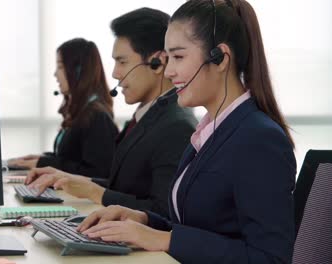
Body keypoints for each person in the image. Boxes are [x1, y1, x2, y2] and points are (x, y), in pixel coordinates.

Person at [77, 1, 297, 263]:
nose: (169, 71)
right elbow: (200, 227)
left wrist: (165, 239)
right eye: (168, 58)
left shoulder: (259, 138)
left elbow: (271, 258)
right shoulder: (209, 132)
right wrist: (144, 220)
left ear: (220, 58)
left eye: (178, 57)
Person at [25, 8, 197, 217]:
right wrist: (72, 180)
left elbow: (163, 212)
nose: (115, 73)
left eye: (122, 61)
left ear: (158, 62)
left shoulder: (176, 126)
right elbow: (126, 187)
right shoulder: (147, 116)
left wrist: (97, 193)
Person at [8, 38, 118, 179]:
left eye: (60, 67)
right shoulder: (82, 112)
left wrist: (42, 163)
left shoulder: (97, 116)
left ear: (78, 71)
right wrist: (39, 159)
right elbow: (72, 158)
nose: (55, 74)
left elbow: (97, 173)